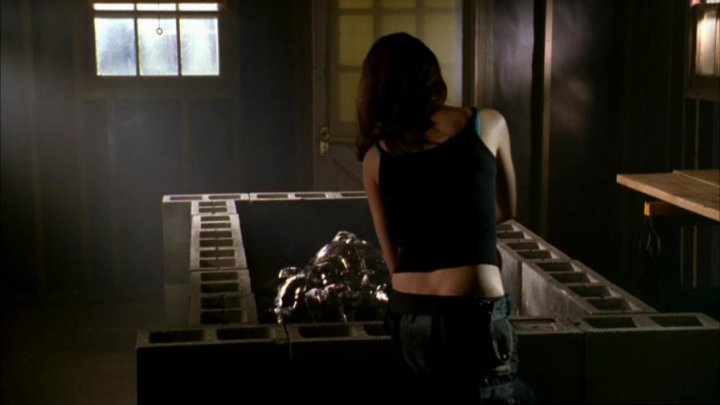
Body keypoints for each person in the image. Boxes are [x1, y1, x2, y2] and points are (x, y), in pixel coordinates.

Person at [356, 33, 531, 403]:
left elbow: (393, 260)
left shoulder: (375, 157)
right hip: (472, 310)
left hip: (410, 312)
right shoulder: (488, 124)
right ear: (431, 75)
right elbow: (506, 209)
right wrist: (462, 224)